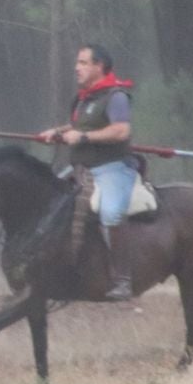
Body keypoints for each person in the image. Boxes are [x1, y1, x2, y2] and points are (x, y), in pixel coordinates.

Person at [39, 43, 138, 301]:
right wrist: (58, 132)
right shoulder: (85, 98)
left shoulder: (116, 96)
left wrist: (82, 137)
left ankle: (123, 281)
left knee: (111, 213)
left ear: (99, 66)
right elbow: (76, 125)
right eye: (77, 62)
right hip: (80, 169)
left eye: (83, 63)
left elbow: (121, 131)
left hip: (112, 168)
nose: (77, 68)